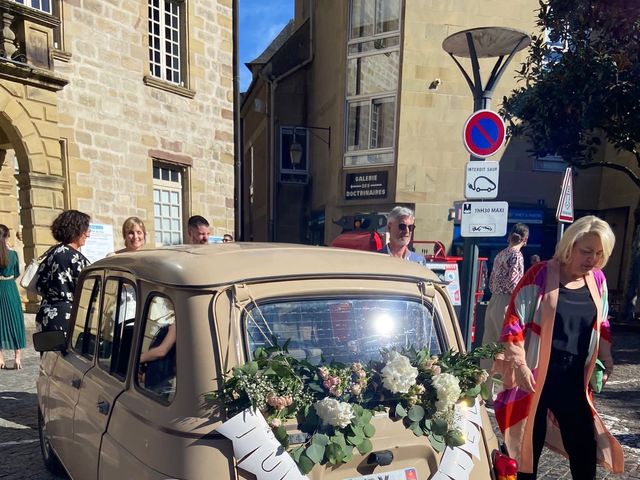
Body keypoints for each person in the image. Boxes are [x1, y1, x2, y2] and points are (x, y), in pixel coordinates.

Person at [492, 216, 624, 479]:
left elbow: (603, 321)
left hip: (574, 381)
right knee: (526, 452)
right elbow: (513, 322)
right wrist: (518, 364)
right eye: (586, 251)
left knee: (584, 452)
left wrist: (606, 360)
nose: (593, 259)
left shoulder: (597, 281)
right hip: (535, 379)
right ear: (569, 246)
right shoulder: (540, 274)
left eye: (599, 253)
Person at [35, 210, 91, 332]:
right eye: (86, 230)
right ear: (77, 231)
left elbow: (39, 284)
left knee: (49, 351)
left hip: (45, 314)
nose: (88, 235)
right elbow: (89, 290)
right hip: (66, 317)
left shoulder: (52, 252)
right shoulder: (75, 258)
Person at [482, 223, 529, 355]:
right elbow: (513, 282)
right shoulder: (517, 256)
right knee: (508, 344)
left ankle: (486, 374)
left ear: (509, 237)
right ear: (525, 240)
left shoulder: (500, 254)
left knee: (489, 345)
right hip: (507, 302)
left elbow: (491, 281)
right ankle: (504, 375)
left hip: (494, 300)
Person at [0, 225, 26, 370]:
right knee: (15, 319)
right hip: (10, 287)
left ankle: (0, 359)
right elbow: (16, 273)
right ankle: (17, 358)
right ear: (7, 236)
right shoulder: (13, 254)